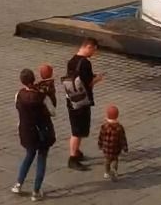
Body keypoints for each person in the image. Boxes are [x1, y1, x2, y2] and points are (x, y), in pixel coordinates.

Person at [12, 68, 55, 202]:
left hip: (27, 131)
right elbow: (53, 112)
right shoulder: (42, 96)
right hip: (42, 131)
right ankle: (36, 191)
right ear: (33, 79)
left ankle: (18, 184)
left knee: (29, 155)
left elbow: (18, 109)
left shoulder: (18, 94)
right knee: (42, 158)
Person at [63, 38, 103, 170]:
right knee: (78, 131)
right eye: (94, 50)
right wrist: (97, 79)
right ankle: (73, 157)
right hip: (82, 101)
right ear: (89, 47)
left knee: (77, 128)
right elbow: (88, 84)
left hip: (71, 99)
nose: (93, 54)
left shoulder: (71, 61)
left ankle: (77, 152)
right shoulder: (85, 63)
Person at [98, 105, 129, 181]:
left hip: (106, 148)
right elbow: (122, 139)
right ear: (117, 115)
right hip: (116, 148)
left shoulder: (104, 126)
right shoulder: (119, 127)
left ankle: (107, 172)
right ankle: (114, 170)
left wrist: (100, 144)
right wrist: (125, 148)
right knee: (115, 160)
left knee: (107, 161)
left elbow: (101, 136)